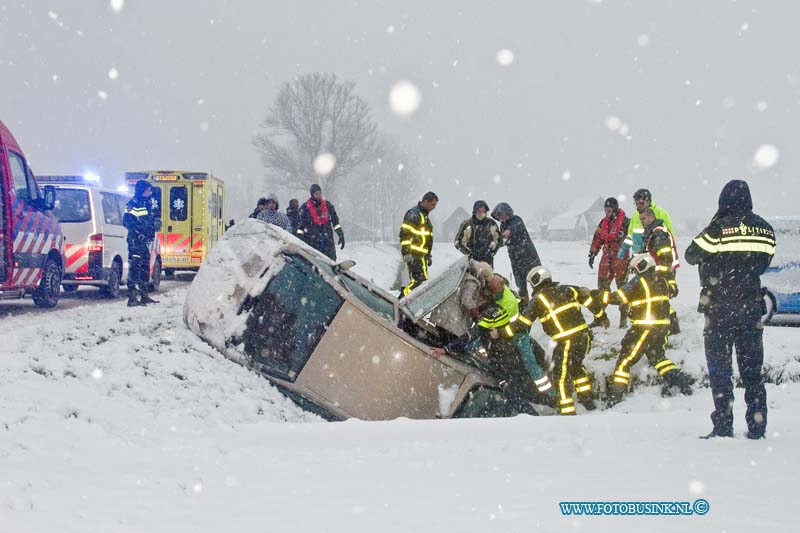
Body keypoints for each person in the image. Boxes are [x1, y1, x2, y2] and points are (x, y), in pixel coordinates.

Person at [685, 180, 776, 440]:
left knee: (721, 372)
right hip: (750, 309)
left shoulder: (717, 230)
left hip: (719, 311)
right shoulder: (766, 230)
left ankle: (723, 425)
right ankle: (757, 427)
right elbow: (764, 261)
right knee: (753, 373)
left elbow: (692, 255)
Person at [599, 253, 692, 406]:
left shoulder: (639, 281)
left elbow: (618, 298)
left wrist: (598, 296)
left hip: (644, 328)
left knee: (624, 361)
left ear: (641, 266)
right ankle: (683, 385)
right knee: (658, 359)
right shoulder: (661, 279)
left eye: (635, 269)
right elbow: (672, 292)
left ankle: (615, 398)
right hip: (662, 327)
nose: (634, 272)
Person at [520, 266, 607, 415]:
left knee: (560, 376)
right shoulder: (569, 289)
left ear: (535, 282)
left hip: (566, 341)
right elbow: (589, 300)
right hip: (584, 339)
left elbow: (524, 322)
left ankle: (567, 411)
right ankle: (587, 400)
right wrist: (601, 317)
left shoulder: (539, 298)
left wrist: (505, 331)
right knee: (576, 367)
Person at [478, 274, 556, 404]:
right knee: (534, 357)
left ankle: (550, 394)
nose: (499, 287)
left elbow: (503, 327)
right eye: (496, 287)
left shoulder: (505, 303)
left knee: (530, 364)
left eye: (500, 285)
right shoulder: (503, 293)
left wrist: (498, 333)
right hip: (515, 333)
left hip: (516, 334)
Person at [589, 197, 630, 328]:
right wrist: (593, 253)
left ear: (615, 210)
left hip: (621, 259)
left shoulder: (626, 222)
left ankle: (623, 320)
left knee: (623, 291)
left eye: (609, 211)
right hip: (606, 259)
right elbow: (597, 238)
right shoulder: (603, 223)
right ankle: (599, 318)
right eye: (605, 211)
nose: (607, 213)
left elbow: (634, 239)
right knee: (601, 290)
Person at [639, 207, 681, 334]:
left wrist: (662, 275)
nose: (642, 221)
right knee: (660, 300)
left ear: (651, 217)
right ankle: (671, 326)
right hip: (657, 272)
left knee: (661, 300)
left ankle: (672, 327)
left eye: (644, 218)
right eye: (640, 219)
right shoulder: (651, 232)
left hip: (662, 273)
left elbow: (665, 258)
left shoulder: (658, 233)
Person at [490, 202, 541, 304]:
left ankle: (541, 303)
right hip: (516, 261)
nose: (501, 217)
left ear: (508, 212)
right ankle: (525, 306)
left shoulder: (517, 220)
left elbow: (514, 228)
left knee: (537, 283)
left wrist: (508, 232)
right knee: (521, 287)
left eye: (502, 214)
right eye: (499, 216)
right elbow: (502, 241)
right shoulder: (503, 226)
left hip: (529, 258)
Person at [123, 180, 158, 307]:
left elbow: (149, 221)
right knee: (135, 269)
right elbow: (127, 222)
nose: (150, 192)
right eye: (148, 189)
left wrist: (151, 231)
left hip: (144, 243)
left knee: (144, 268)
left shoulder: (147, 203)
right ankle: (132, 297)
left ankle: (144, 295)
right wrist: (139, 232)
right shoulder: (132, 204)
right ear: (142, 190)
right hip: (135, 241)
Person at [618, 188, 677, 260]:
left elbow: (669, 236)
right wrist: (624, 247)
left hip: (655, 260)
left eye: (641, 203)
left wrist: (666, 258)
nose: (638, 206)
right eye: (636, 204)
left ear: (648, 201)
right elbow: (630, 236)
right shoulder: (635, 216)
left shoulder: (661, 213)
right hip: (638, 260)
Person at [399, 192, 438, 296]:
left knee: (422, 283)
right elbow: (405, 234)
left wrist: (428, 256)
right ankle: (403, 300)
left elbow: (427, 240)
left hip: (422, 257)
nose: (434, 207)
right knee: (419, 283)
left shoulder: (425, 217)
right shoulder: (414, 214)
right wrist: (407, 252)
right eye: (433, 204)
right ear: (425, 201)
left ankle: (404, 302)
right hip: (414, 255)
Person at [296, 184, 344, 260]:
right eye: (316, 194)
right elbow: (300, 226)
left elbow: (335, 221)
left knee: (331, 260)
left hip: (328, 240)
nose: (319, 196)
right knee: (316, 262)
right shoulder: (305, 208)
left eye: (320, 193)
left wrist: (340, 234)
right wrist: (300, 239)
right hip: (313, 241)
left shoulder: (328, 205)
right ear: (312, 194)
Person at [454, 200, 501, 267]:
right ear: (475, 211)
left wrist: (490, 252)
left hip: (488, 261)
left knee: (487, 277)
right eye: (479, 211)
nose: (481, 213)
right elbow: (458, 242)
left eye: (483, 211)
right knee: (471, 277)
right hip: (472, 261)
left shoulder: (491, 224)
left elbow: (498, 240)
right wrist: (469, 253)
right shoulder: (467, 224)